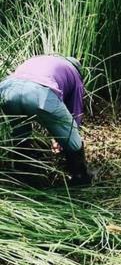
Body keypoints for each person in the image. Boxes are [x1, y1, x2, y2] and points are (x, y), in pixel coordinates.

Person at [0, 54, 93, 185]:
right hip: (39, 93)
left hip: (7, 89)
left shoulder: (40, 59)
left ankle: (22, 173)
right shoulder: (75, 74)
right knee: (73, 139)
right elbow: (75, 115)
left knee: (20, 133)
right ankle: (80, 177)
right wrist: (62, 138)